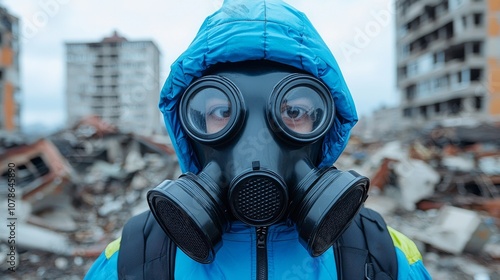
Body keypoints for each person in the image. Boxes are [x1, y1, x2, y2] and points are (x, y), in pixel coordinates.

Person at [84, 0, 432, 279]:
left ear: (326, 124)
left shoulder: (379, 252)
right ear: (190, 127)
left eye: (293, 112)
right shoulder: (138, 256)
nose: (257, 141)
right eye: (223, 112)